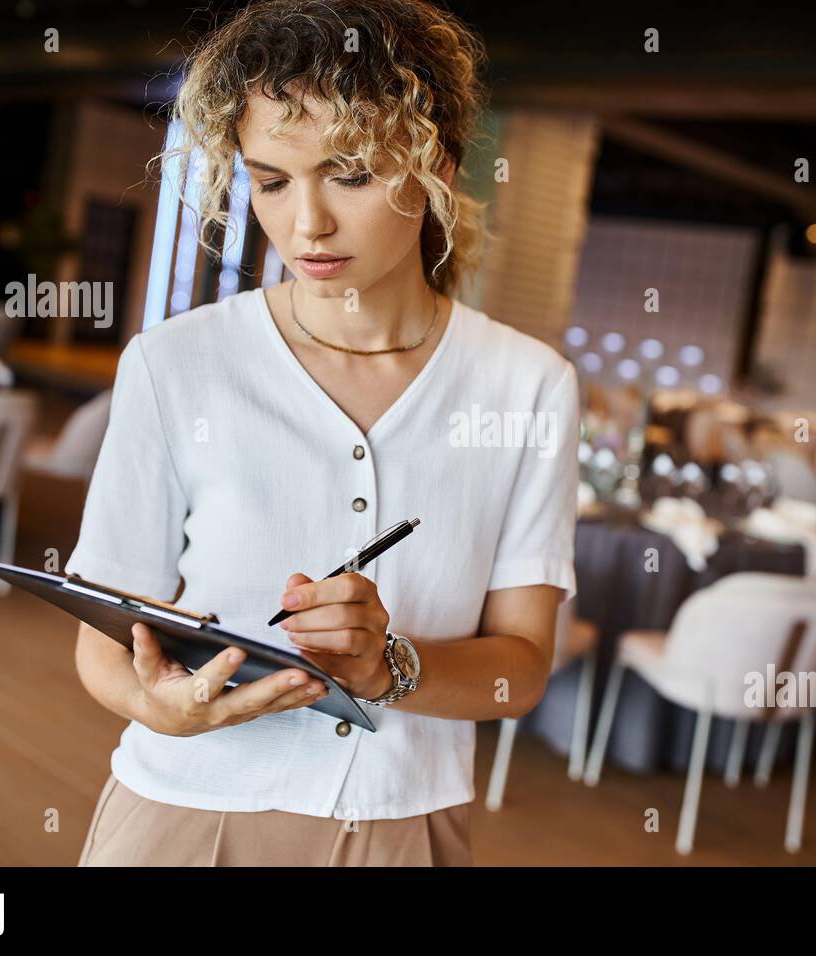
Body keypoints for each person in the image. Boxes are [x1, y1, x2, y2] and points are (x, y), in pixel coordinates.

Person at [68, 0, 578, 866]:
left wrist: (391, 668)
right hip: (184, 812)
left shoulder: (527, 386)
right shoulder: (175, 364)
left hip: (400, 825)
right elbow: (104, 644)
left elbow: (520, 669)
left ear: (436, 168)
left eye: (348, 174)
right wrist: (160, 706)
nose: (306, 225)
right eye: (271, 181)